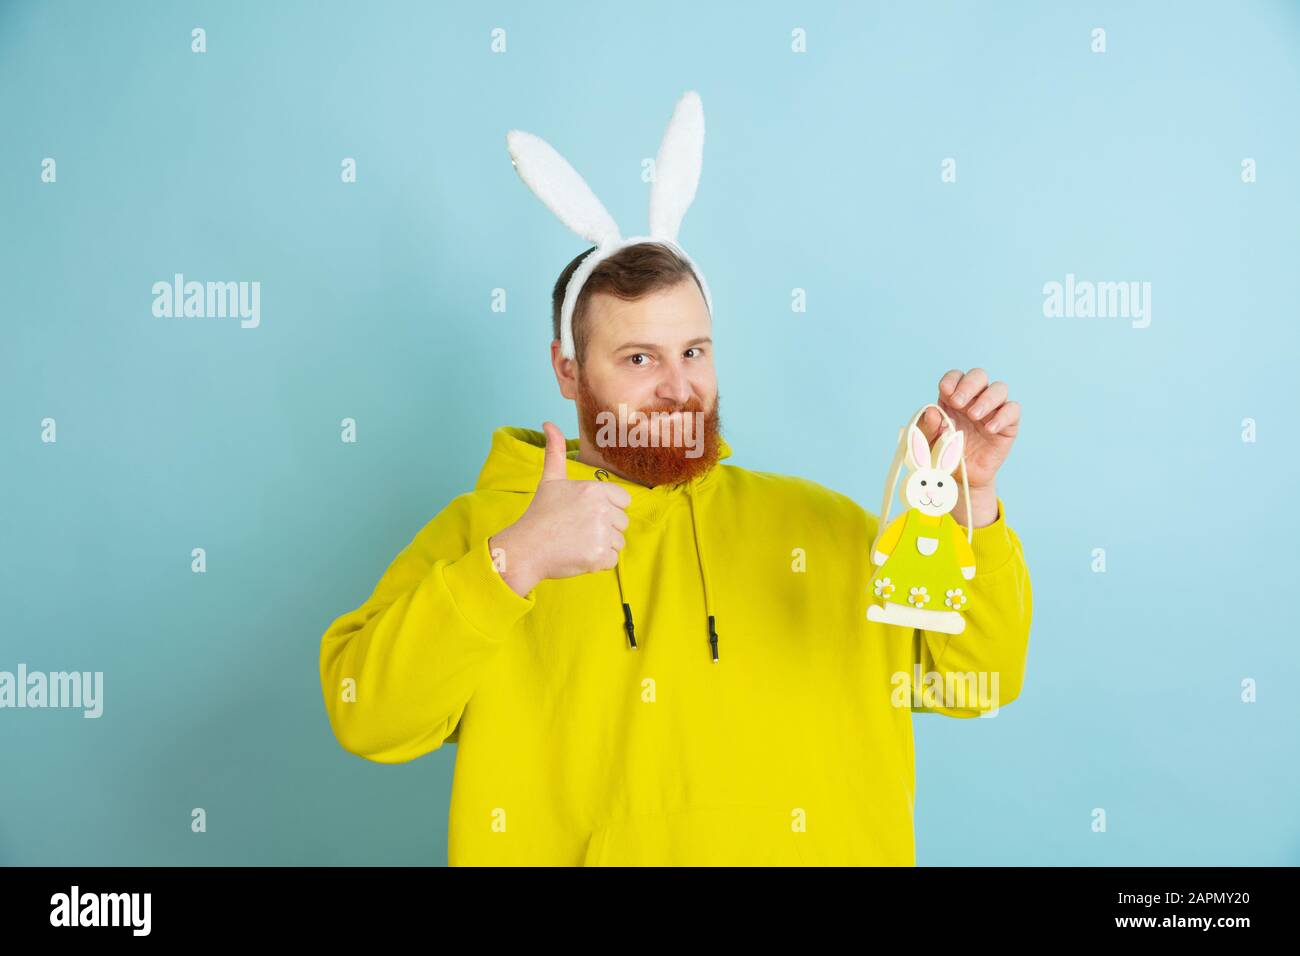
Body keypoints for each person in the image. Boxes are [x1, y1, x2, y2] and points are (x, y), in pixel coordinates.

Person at [318, 239, 1032, 865]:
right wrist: (516, 561)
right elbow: (369, 717)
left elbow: (978, 682)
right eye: (639, 358)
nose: (678, 388)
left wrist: (972, 499)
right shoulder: (488, 533)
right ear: (568, 372)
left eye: (693, 352)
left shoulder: (826, 529)